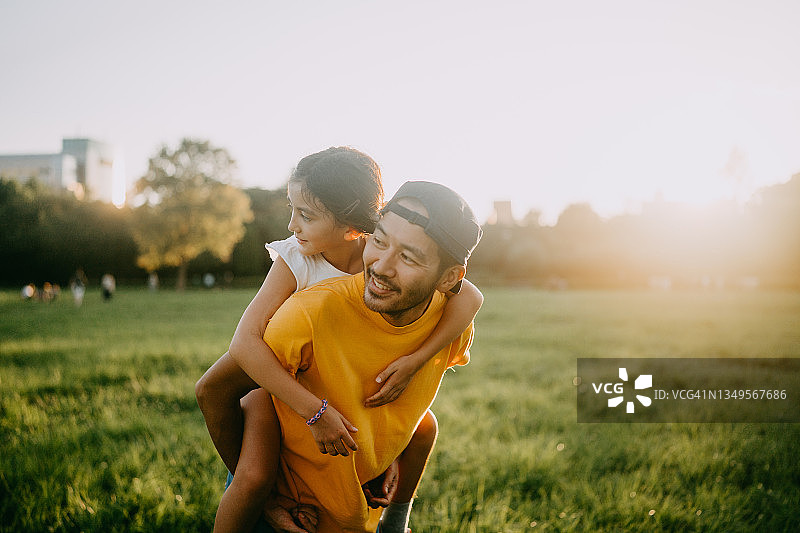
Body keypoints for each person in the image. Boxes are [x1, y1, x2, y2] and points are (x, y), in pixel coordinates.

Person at [195, 150, 483, 532]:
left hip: (326, 394)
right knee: (254, 478)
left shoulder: (376, 255)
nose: (293, 224)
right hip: (271, 380)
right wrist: (314, 411)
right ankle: (266, 500)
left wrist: (416, 359)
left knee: (424, 425)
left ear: (352, 226)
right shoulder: (298, 260)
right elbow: (245, 346)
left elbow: (469, 296)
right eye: (292, 209)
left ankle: (395, 520)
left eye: (307, 215)